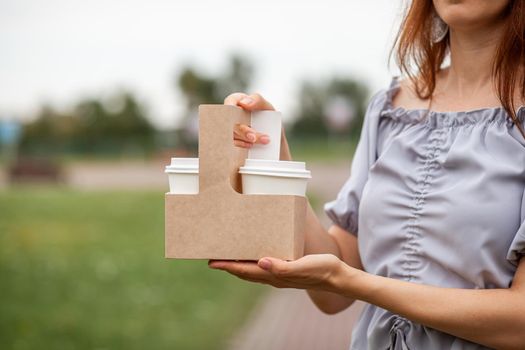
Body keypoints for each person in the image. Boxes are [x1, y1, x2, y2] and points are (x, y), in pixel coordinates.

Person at [208, 0, 525, 349]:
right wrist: (277, 161)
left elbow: (519, 322)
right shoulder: (390, 108)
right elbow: (332, 292)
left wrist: (351, 282)